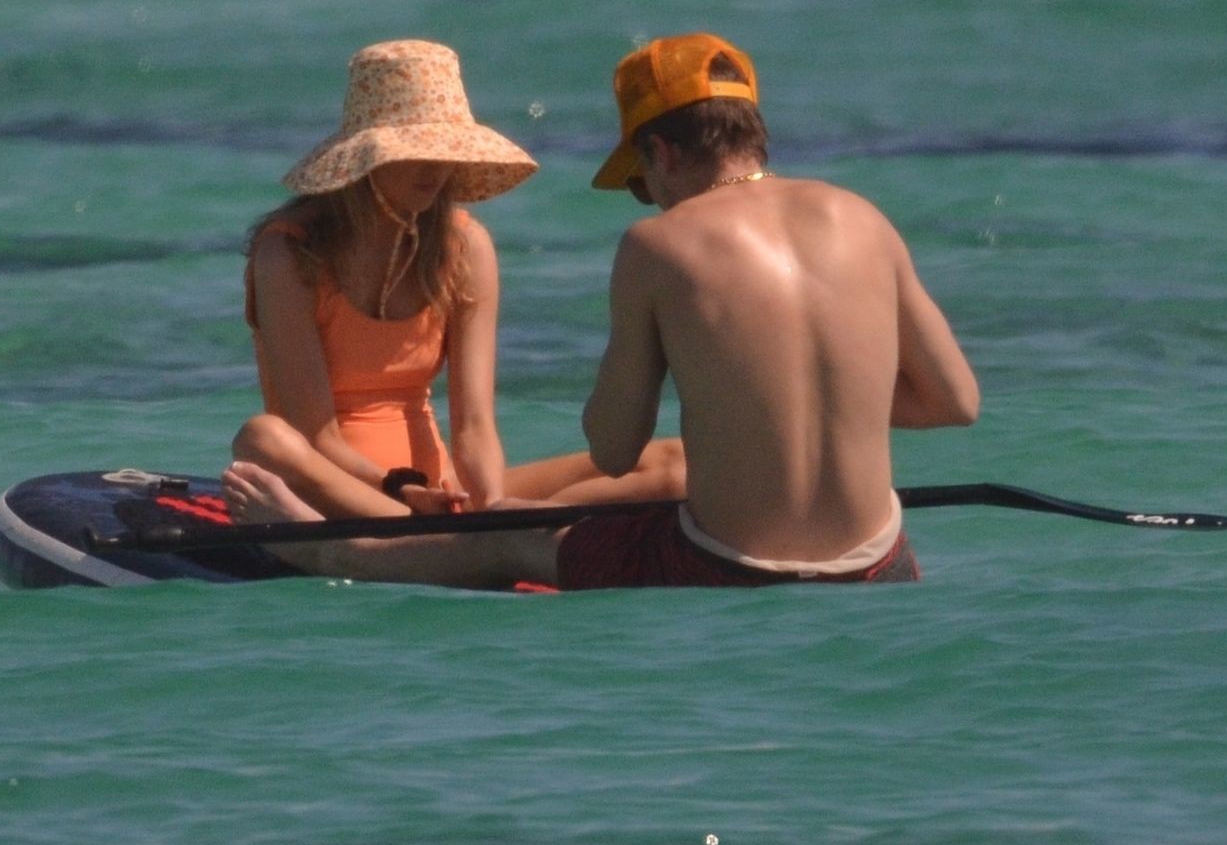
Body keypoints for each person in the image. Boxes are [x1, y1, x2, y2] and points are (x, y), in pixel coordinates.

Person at [222, 32, 979, 589]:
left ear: (661, 153)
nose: (649, 200)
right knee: (267, 438)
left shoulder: (646, 246)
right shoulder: (865, 217)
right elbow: (956, 401)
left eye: (640, 182)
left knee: (567, 513)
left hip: (714, 561)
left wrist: (482, 503)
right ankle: (380, 537)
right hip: (881, 557)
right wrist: (806, 399)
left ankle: (386, 547)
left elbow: (610, 447)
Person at [232, 38, 687, 519]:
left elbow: (474, 425)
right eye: (418, 150)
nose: (437, 167)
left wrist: (489, 503)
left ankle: (477, 535)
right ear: (367, 158)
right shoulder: (290, 255)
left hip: (437, 490)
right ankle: (437, 536)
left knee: (673, 463)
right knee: (264, 438)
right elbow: (315, 435)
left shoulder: (464, 247)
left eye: (447, 149)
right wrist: (399, 490)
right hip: (337, 488)